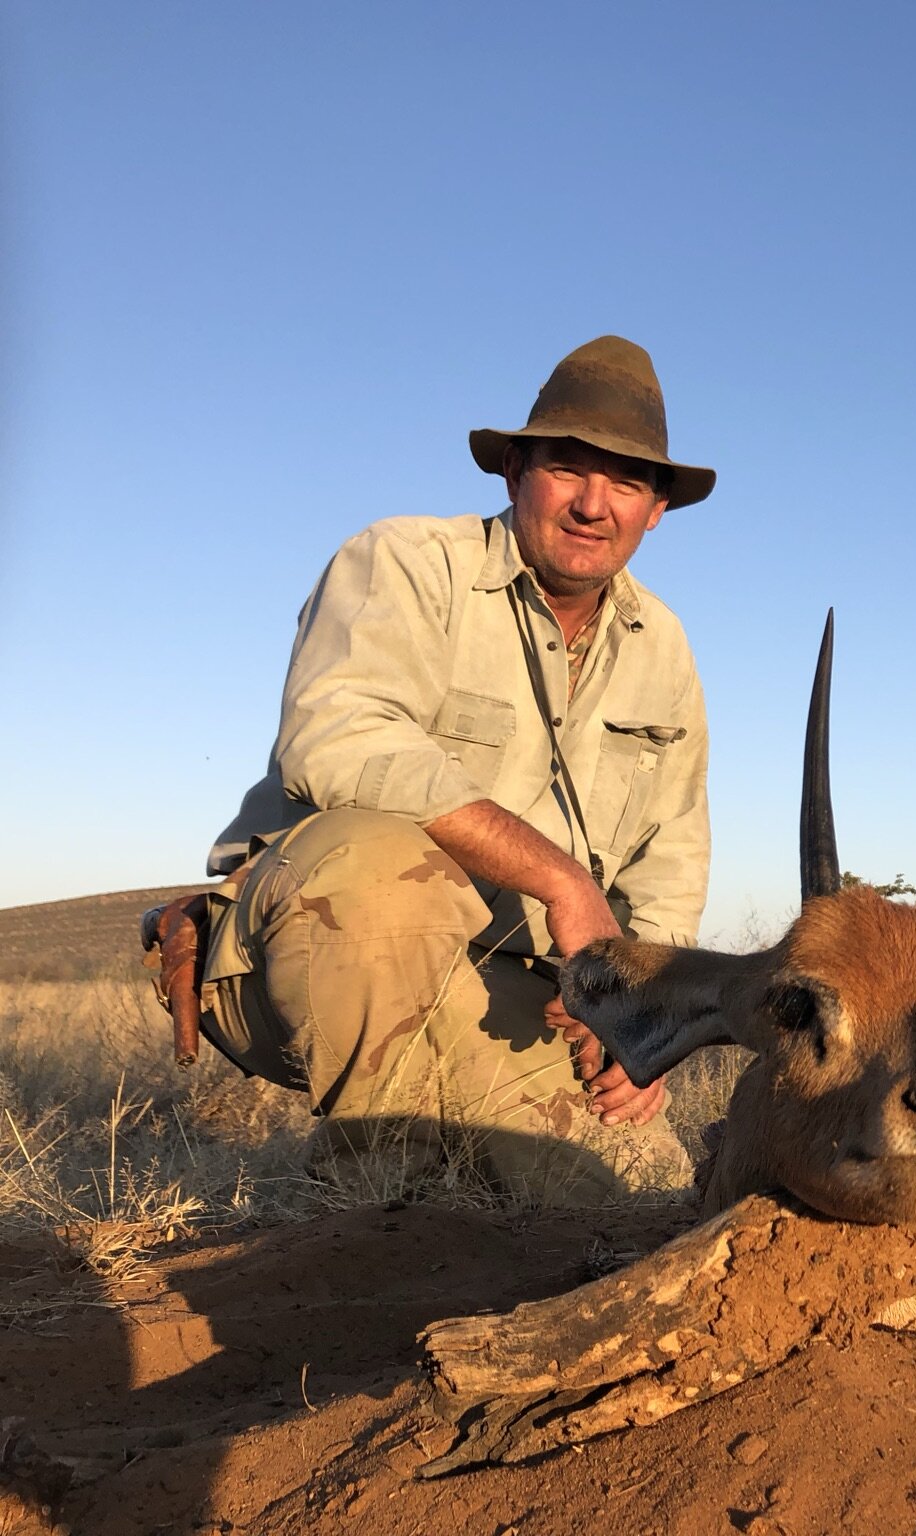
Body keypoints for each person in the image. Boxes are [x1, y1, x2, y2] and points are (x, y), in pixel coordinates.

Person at [193, 335, 715, 1202]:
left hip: (509, 984)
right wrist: (560, 881)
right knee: (378, 874)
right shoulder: (402, 561)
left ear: (656, 508)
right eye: (567, 469)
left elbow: (672, 865)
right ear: (514, 471)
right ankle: (375, 1216)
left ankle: (455, 1183)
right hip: (321, 940)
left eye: (625, 481)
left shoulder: (663, 645)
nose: (593, 504)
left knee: (636, 1199)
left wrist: (647, 1026)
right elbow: (334, 738)